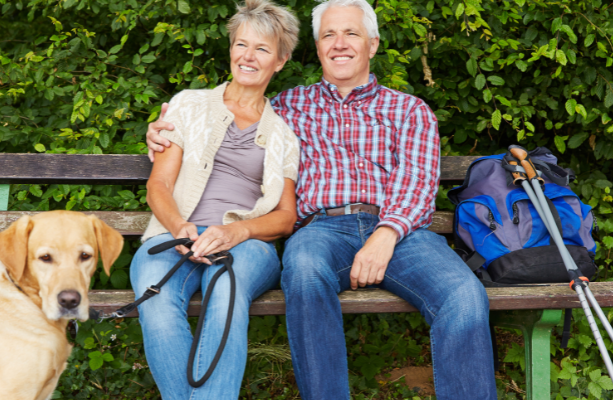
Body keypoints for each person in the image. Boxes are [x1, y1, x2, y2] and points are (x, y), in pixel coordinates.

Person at [146, 0, 497, 398]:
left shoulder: (409, 110)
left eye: (351, 33)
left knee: (464, 296)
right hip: (322, 229)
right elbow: (221, 128)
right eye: (329, 34)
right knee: (304, 270)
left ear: (373, 44)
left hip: (401, 233)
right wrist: (158, 133)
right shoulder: (287, 108)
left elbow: (417, 185)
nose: (339, 43)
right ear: (317, 48)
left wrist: (386, 234)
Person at [130, 1, 300, 398]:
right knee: (155, 302)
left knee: (225, 291)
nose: (248, 56)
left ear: (280, 60)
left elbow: (285, 217)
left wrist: (234, 232)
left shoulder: (283, 136)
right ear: (230, 49)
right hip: (173, 235)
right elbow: (159, 186)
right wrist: (181, 228)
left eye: (262, 48)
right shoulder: (189, 105)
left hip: (247, 245)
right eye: (241, 44)